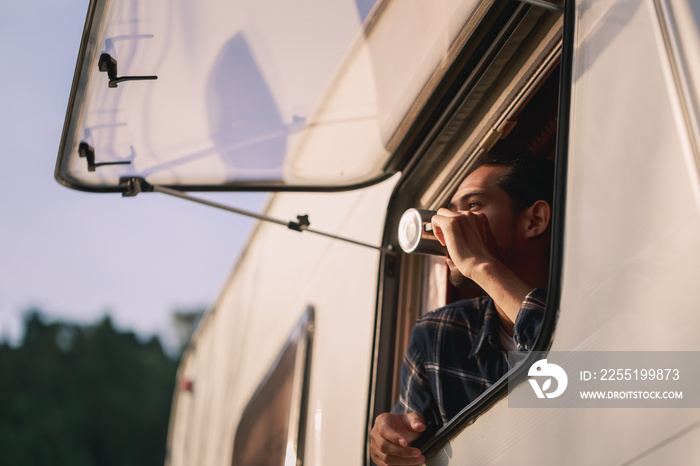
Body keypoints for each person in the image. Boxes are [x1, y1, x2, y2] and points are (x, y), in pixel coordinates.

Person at [369, 152, 554, 466]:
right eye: (450, 213)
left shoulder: (593, 302)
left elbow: (576, 380)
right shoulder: (439, 335)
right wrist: (386, 446)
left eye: (472, 207)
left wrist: (480, 264)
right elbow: (407, 450)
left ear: (534, 220)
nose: (450, 228)